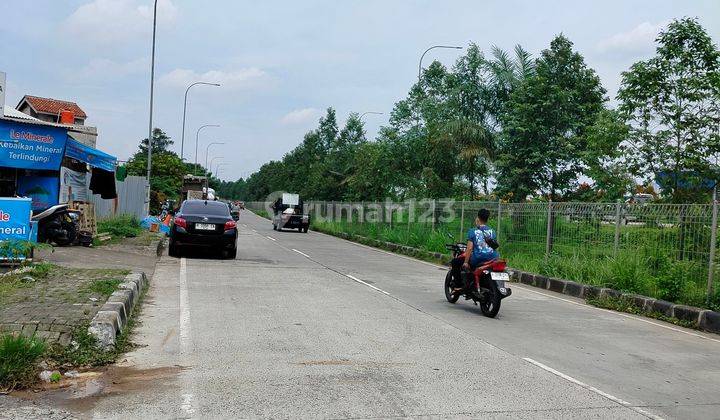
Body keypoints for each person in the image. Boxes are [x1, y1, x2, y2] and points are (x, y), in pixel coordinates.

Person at [451, 208, 499, 295]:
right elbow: (494, 246)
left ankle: (458, 286)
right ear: (487, 219)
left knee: (455, 262)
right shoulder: (492, 231)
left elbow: (469, 248)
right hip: (493, 258)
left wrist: (465, 262)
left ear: (478, 218)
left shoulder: (473, 231)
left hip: (478, 258)